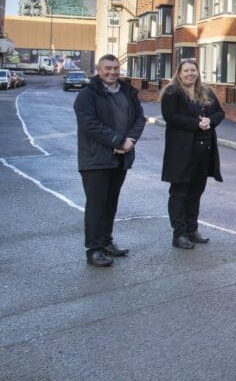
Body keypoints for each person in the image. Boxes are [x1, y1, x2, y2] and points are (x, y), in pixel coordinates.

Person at [74, 54, 145, 267]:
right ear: (99, 69)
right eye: (107, 68)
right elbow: (90, 125)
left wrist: (130, 139)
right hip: (96, 159)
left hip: (120, 158)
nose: (112, 72)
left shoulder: (127, 92)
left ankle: (106, 242)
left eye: (115, 68)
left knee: (110, 202)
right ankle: (94, 249)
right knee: (96, 205)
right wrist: (117, 140)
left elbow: (139, 118)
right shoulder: (87, 95)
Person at [159, 58, 225, 250]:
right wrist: (196, 123)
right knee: (179, 193)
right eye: (186, 71)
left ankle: (191, 230)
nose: (190, 74)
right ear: (179, 73)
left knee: (196, 191)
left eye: (193, 70)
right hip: (181, 152)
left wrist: (209, 122)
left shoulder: (207, 91)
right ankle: (178, 234)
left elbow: (220, 113)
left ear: (198, 72)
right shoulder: (172, 92)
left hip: (204, 151)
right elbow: (170, 117)